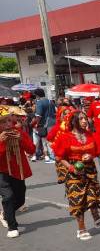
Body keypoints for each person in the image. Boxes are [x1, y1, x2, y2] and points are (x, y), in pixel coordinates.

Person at [53, 111, 100, 241]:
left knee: (92, 195)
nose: (84, 121)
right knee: (77, 201)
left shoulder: (89, 135)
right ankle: (81, 228)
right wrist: (71, 168)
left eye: (85, 118)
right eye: (81, 119)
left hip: (89, 169)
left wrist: (91, 156)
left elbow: (97, 152)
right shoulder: (65, 137)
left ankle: (94, 211)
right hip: (73, 171)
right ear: (73, 122)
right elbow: (59, 157)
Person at [0, 106, 35, 238]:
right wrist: (1, 142)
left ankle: (6, 213)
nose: (8, 124)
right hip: (1, 171)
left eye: (9, 120)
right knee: (8, 196)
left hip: (17, 170)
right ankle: (12, 226)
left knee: (19, 199)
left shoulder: (18, 132)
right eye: (3, 122)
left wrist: (21, 140)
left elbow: (32, 150)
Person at [31, 88, 55, 163]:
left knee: (45, 140)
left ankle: (50, 157)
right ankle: (52, 155)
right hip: (52, 122)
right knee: (51, 139)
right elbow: (54, 112)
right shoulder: (50, 101)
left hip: (44, 123)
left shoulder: (40, 102)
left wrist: (35, 123)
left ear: (37, 95)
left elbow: (38, 115)